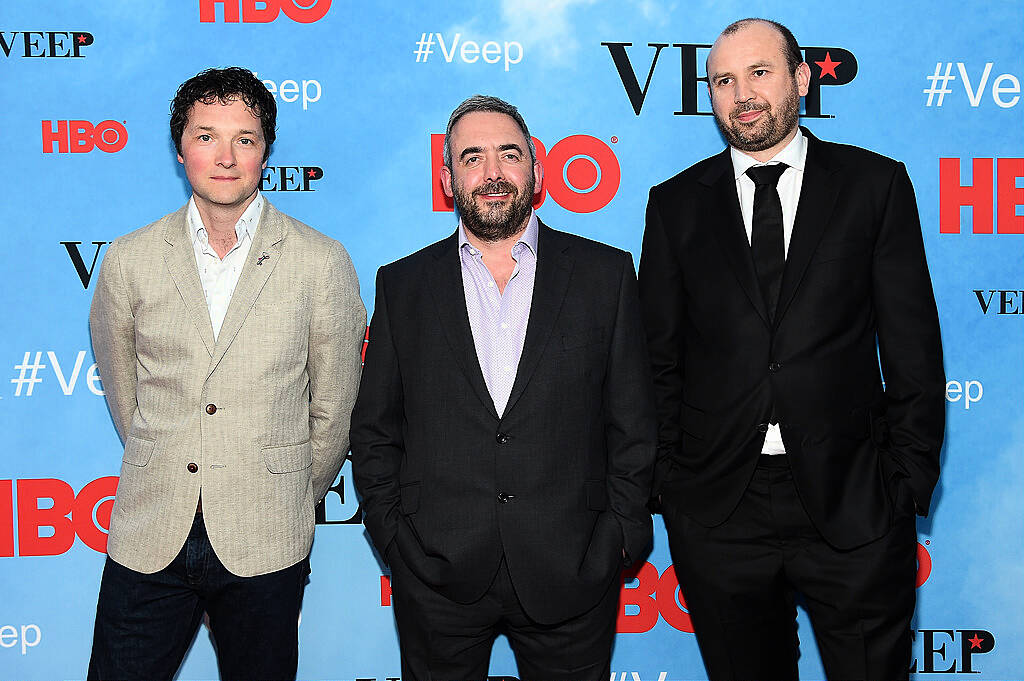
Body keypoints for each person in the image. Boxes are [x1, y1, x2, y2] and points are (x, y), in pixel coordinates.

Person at [638, 18, 945, 681]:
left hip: (856, 501)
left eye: (759, 72)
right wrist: (672, 486)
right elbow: (656, 361)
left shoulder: (874, 185)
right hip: (721, 511)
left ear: (801, 80)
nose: (741, 93)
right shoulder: (675, 206)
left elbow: (914, 349)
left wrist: (905, 481)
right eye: (723, 80)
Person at [351, 94, 656, 680]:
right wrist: (396, 542)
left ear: (537, 171)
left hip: (574, 567)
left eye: (508, 154)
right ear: (447, 178)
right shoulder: (402, 286)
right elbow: (375, 431)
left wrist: (617, 538)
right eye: (472, 157)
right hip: (437, 572)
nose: (492, 173)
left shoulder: (605, 275)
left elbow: (634, 425)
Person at [87, 66, 366, 681]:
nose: (226, 156)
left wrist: (286, 492)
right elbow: (124, 392)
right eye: (206, 135)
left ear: (266, 150)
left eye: (245, 138)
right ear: (180, 147)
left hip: (266, 535)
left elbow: (336, 409)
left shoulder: (320, 262)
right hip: (149, 531)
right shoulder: (129, 259)